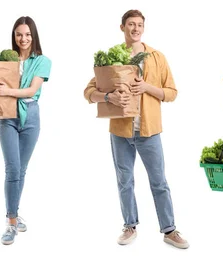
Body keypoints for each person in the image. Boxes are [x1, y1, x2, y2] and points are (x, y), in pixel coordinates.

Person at [83, 9, 189, 249]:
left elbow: (171, 93)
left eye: (139, 24)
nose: (135, 28)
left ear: (144, 27)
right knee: (125, 180)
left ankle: (169, 230)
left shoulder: (157, 57)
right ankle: (129, 226)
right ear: (122, 27)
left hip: (149, 131)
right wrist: (108, 97)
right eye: (131, 24)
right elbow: (88, 92)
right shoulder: (111, 58)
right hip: (120, 131)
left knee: (159, 182)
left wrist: (147, 88)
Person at [0, 16, 52, 245]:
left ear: (33, 35)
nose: (23, 38)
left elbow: (31, 91)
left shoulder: (43, 61)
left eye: (27, 34)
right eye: (19, 34)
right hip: (7, 117)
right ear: (14, 36)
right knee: (12, 169)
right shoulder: (5, 60)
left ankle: (14, 212)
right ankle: (11, 221)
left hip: (31, 117)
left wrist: (7, 91)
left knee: (21, 170)